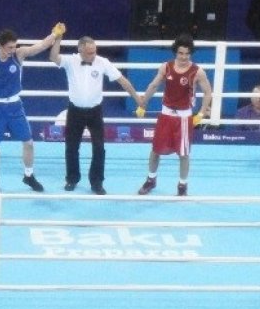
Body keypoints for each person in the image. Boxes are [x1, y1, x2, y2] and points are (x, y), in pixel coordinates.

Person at [49, 34, 143, 195]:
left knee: (99, 148)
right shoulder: (70, 61)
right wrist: (58, 38)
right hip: (75, 111)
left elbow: (122, 81)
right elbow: (53, 57)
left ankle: (97, 182)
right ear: (80, 50)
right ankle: (72, 178)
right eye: (89, 53)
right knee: (71, 147)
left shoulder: (102, 62)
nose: (93, 55)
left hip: (95, 111)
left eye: (94, 52)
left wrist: (138, 99)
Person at [0, 24, 64, 193]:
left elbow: (40, 46)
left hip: (15, 106)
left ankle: (29, 175)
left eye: (14, 45)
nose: (13, 49)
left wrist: (54, 34)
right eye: (9, 47)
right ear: (0, 45)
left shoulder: (19, 54)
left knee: (29, 142)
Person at [135, 34, 213, 197]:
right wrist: (142, 104)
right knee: (155, 150)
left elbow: (207, 92)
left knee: (184, 154)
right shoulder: (166, 67)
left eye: (187, 53)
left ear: (191, 53)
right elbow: (154, 84)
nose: (184, 57)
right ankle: (151, 180)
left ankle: (182, 185)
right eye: (180, 53)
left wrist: (201, 113)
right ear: (175, 52)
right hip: (166, 115)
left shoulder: (197, 71)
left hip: (184, 118)